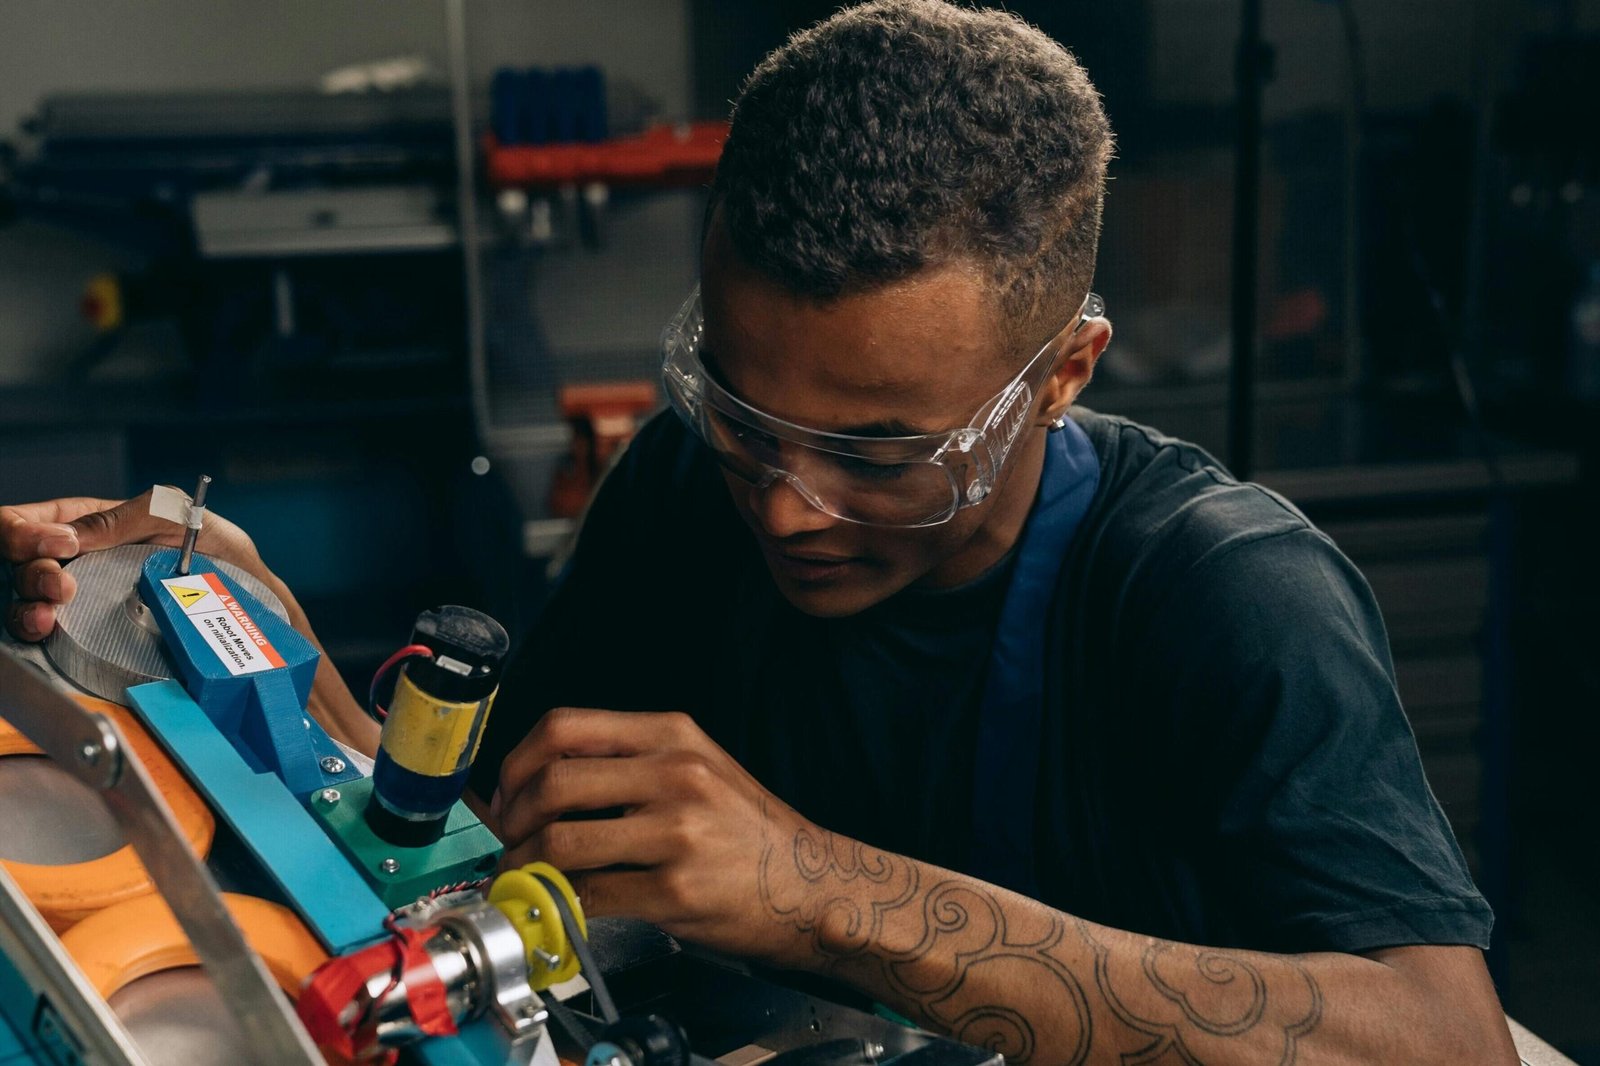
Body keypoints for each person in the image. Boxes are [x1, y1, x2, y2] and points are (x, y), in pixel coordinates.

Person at [3, 3, 1518, 1062]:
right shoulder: (685, 488)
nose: (789, 506)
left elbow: (1447, 1042)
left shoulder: (1222, 593)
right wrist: (262, 659)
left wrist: (818, 887)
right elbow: (485, 870)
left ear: (1062, 373)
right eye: (740, 406)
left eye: (878, 453)